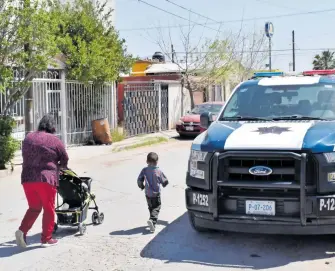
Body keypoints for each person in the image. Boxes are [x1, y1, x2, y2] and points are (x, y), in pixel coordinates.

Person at [15, 114, 69, 248]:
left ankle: (22, 231)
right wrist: (61, 167)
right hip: (46, 179)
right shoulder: (54, 140)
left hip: (27, 179)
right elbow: (64, 158)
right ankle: (46, 238)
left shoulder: (28, 138)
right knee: (49, 208)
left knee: (34, 207)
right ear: (52, 127)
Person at [137, 152, 169, 233]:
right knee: (157, 207)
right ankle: (152, 220)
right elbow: (165, 181)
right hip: (156, 194)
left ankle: (152, 224)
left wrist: (141, 186)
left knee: (151, 207)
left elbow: (139, 180)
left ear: (147, 161)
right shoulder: (158, 171)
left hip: (147, 194)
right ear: (156, 162)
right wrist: (165, 183)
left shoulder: (144, 170)